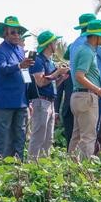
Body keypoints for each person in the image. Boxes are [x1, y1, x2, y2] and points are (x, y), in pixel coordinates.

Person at [69, 21, 101, 159]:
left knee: (77, 136)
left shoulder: (83, 49)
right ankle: (85, 172)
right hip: (86, 97)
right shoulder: (88, 52)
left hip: (78, 95)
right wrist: (98, 90)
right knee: (89, 137)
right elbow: (79, 75)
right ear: (96, 37)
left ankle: (70, 168)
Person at [0, 16, 34, 160]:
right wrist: (20, 65)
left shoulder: (20, 50)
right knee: (3, 136)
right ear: (5, 34)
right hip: (4, 102)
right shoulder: (0, 50)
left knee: (20, 135)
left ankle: (18, 167)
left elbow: (24, 73)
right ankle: (1, 168)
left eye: (18, 32)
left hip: (20, 101)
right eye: (13, 32)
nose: (17, 35)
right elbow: (2, 68)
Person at [28, 31, 69, 160]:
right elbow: (40, 82)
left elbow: (51, 82)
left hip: (50, 102)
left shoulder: (49, 61)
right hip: (40, 102)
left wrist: (62, 76)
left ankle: (43, 166)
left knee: (48, 139)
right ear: (49, 44)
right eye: (55, 42)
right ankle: (32, 164)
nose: (56, 44)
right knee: (38, 136)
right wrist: (57, 72)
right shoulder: (38, 60)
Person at [55, 44, 74, 148]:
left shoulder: (85, 70)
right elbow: (58, 93)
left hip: (82, 108)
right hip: (68, 110)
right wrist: (56, 111)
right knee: (70, 138)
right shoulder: (65, 70)